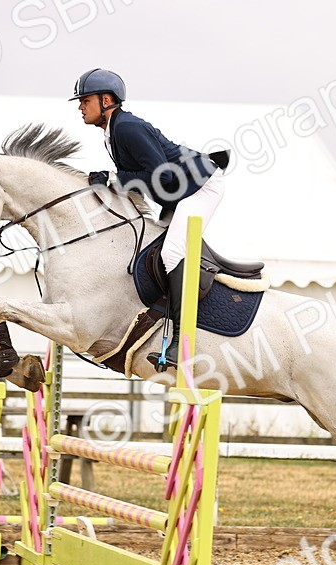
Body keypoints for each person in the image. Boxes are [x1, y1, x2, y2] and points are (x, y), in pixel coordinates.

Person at [70, 67, 226, 367]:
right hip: (180, 193)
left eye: (85, 100)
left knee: (171, 253)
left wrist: (113, 177)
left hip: (201, 187)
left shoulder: (127, 127)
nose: (80, 107)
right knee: (150, 251)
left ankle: (182, 342)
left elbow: (160, 175)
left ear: (106, 100)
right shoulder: (113, 132)